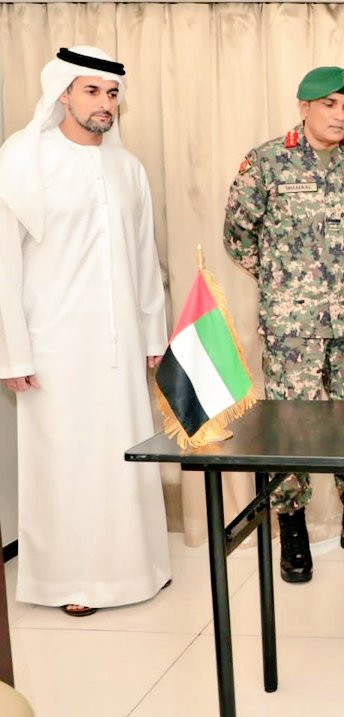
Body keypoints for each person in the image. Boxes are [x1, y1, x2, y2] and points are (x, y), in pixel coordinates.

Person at [0, 46, 172, 616]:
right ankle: (70, 582)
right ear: (64, 93)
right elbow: (4, 262)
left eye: (113, 92)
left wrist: (154, 337)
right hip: (54, 344)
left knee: (125, 453)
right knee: (66, 461)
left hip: (122, 342)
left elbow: (146, 259)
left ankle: (138, 570)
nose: (105, 104)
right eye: (93, 91)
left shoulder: (129, 168)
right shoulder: (23, 159)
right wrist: (13, 351)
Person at [224, 66, 344, 580]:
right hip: (290, 323)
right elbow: (237, 235)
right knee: (290, 423)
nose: (340, 115)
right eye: (329, 105)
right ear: (304, 106)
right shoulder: (267, 162)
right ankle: (291, 527)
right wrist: (282, 281)